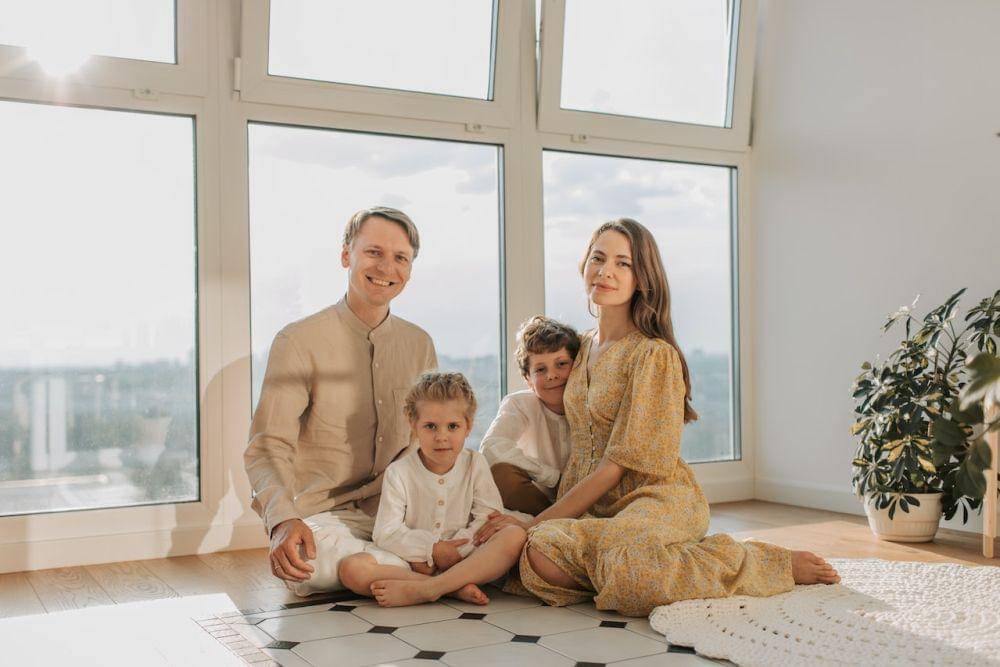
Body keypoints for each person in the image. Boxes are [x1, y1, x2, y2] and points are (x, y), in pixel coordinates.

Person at [474, 218, 840, 617]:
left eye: (623, 263)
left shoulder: (653, 354)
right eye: (598, 258)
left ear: (642, 279)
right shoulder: (579, 348)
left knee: (624, 562)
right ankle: (651, 562)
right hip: (593, 507)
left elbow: (615, 468)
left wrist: (533, 522)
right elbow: (541, 393)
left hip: (655, 498)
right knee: (541, 553)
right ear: (584, 265)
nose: (606, 271)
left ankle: (758, 562)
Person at [244, 206, 436, 596]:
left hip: (397, 511)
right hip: (321, 517)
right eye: (374, 252)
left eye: (400, 258)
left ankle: (401, 572)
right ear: (346, 255)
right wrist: (282, 521)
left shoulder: (420, 344)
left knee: (485, 536)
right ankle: (427, 573)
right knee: (308, 564)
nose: (387, 267)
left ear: (410, 269)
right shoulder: (298, 341)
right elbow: (267, 447)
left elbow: (426, 441)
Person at [337, 372, 527, 607]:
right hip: (410, 562)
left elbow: (487, 520)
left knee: (513, 535)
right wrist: (430, 549)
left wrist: (456, 551)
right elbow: (386, 532)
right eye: (430, 426)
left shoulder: (475, 463)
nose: (441, 437)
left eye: (453, 426)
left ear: (468, 426)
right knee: (352, 569)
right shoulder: (399, 472)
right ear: (413, 425)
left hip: (466, 558)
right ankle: (452, 588)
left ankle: (430, 589)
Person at [481, 316, 580, 515]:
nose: (552, 375)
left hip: (584, 496)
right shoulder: (520, 404)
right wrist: (552, 477)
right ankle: (550, 522)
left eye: (561, 364)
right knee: (501, 473)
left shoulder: (592, 405)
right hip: (538, 502)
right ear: (528, 379)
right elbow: (491, 447)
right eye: (541, 369)